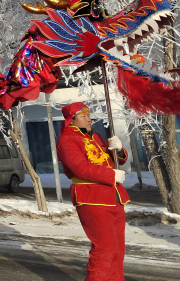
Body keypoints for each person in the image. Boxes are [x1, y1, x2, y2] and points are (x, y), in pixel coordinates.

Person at [56, 102, 129, 281]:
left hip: (114, 197)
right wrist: (110, 175)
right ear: (71, 120)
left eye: (89, 115)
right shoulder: (66, 140)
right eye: (83, 115)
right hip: (92, 198)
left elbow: (116, 160)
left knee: (118, 250)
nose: (89, 119)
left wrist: (119, 150)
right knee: (105, 249)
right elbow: (80, 169)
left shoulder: (96, 137)